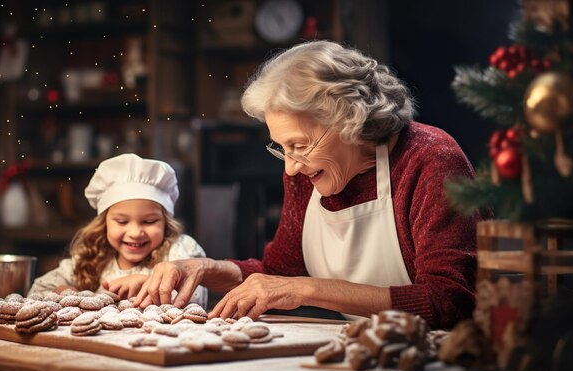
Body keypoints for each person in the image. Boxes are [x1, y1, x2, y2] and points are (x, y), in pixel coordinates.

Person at [134, 40, 481, 329]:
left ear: (350, 121)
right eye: (281, 147)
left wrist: (305, 289)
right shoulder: (305, 174)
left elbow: (449, 302)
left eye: (300, 146)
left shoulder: (429, 159)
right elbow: (278, 274)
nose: (290, 166)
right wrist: (204, 268)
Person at [28, 153, 208, 308]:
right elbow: (37, 290)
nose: (136, 232)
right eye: (122, 222)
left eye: (149, 221)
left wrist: (147, 284)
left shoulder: (178, 251)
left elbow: (196, 299)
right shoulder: (91, 259)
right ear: (104, 224)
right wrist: (64, 291)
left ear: (165, 223)